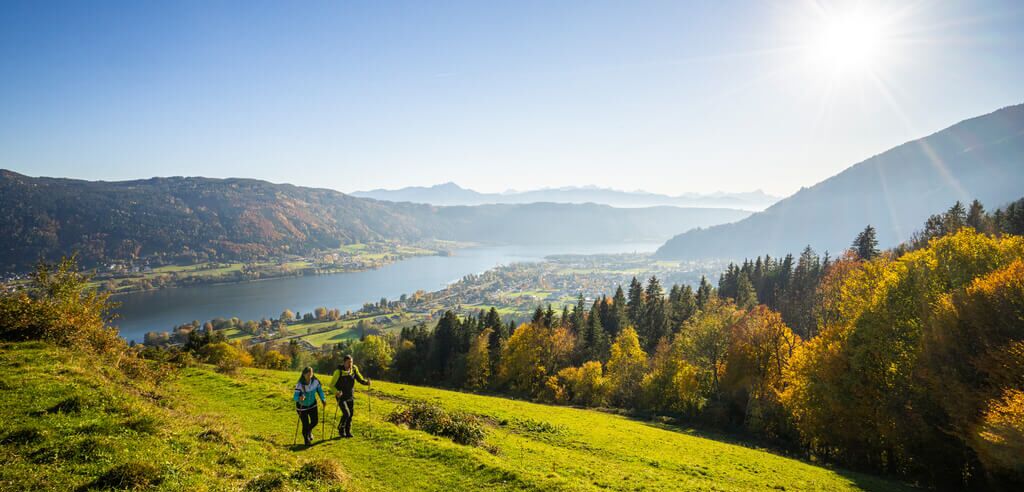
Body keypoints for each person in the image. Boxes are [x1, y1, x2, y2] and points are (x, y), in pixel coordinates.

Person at [330, 355, 370, 438]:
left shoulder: (354, 369)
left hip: (350, 395)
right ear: (344, 362)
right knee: (346, 413)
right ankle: (341, 428)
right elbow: (331, 385)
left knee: (350, 415)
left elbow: (360, 379)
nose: (350, 364)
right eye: (348, 362)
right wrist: (336, 392)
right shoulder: (338, 372)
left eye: (351, 362)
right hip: (341, 396)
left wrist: (366, 383)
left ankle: (348, 432)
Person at [293, 366, 326, 446]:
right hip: (302, 407)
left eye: (311, 373)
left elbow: (320, 391)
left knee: (315, 421)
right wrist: (300, 398)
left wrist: (323, 399)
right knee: (305, 424)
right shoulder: (300, 385)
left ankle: (309, 431)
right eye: (307, 374)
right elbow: (295, 397)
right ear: (304, 374)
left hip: (312, 405)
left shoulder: (315, 382)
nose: (309, 375)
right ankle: (306, 439)